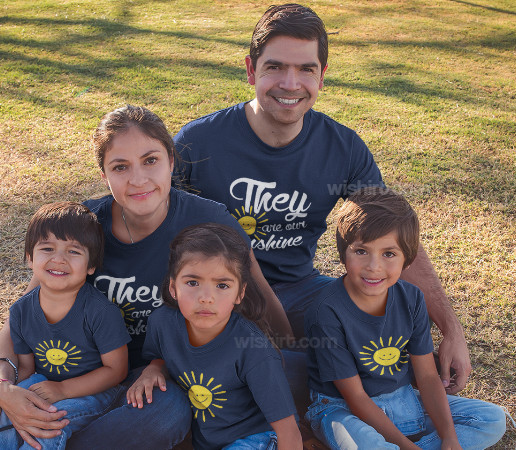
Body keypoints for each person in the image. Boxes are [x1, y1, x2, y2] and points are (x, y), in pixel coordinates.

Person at [0, 105, 291, 450]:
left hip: (149, 377)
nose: (139, 179)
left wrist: (293, 366)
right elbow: (24, 312)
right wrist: (4, 388)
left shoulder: (210, 221)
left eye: (150, 160)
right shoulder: (84, 227)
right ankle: (40, 427)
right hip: (66, 370)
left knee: (168, 415)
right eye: (121, 166)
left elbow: (259, 296)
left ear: (171, 162)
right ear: (104, 173)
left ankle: (34, 432)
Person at [173, 3, 473, 394]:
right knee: (244, 366)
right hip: (219, 291)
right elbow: (156, 233)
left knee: (390, 345)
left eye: (306, 69)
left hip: (302, 291)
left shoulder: (342, 148)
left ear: (322, 75)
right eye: (275, 67)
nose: (290, 83)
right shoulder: (197, 143)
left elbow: (392, 237)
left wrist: (451, 329)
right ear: (251, 70)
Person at [304, 187, 505, 449]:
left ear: (407, 260)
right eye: (361, 251)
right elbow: (355, 396)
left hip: (402, 401)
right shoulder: (326, 311)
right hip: (343, 410)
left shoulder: (412, 298)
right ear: (343, 254)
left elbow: (428, 377)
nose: (374, 266)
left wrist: (449, 438)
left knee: (491, 419)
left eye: (389, 254)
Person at [127, 223, 302, 450]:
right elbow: (160, 357)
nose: (206, 297)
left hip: (256, 438)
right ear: (172, 287)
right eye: (192, 283)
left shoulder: (252, 348)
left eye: (222, 285)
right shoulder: (163, 322)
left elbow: (289, 433)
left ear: (240, 293)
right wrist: (153, 369)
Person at [0, 202, 130, 450]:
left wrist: (63, 389)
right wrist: (4, 397)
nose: (59, 259)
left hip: (96, 392)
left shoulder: (101, 312)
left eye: (74, 252)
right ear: (30, 258)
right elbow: (27, 368)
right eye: (47, 248)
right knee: (7, 417)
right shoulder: (21, 311)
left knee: (49, 421)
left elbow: (117, 371)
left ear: (91, 265)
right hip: (44, 384)